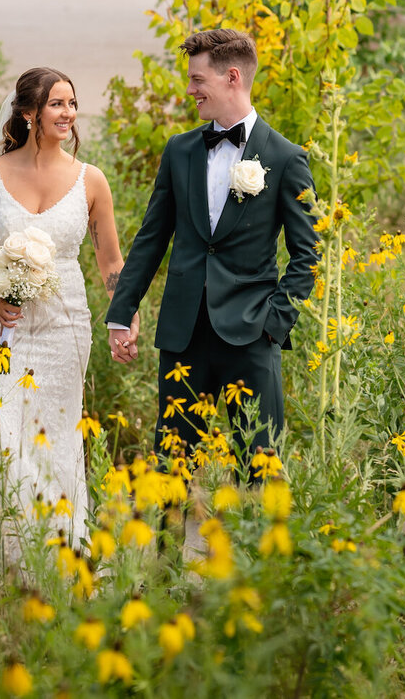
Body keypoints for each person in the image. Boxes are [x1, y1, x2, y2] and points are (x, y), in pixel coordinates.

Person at [106, 27, 317, 468]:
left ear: (232, 77)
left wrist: (273, 325)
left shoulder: (285, 157)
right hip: (184, 336)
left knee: (258, 470)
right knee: (171, 468)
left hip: (253, 335)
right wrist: (121, 313)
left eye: (198, 80)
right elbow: (151, 239)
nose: (190, 89)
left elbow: (307, 255)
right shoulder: (180, 150)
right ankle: (166, 541)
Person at [0, 66, 133, 542]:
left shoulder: (90, 181)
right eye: (57, 103)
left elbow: (110, 262)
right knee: (0, 434)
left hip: (64, 324)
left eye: (72, 103)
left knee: (56, 436)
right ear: (29, 113)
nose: (68, 113)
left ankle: (60, 548)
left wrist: (125, 315)